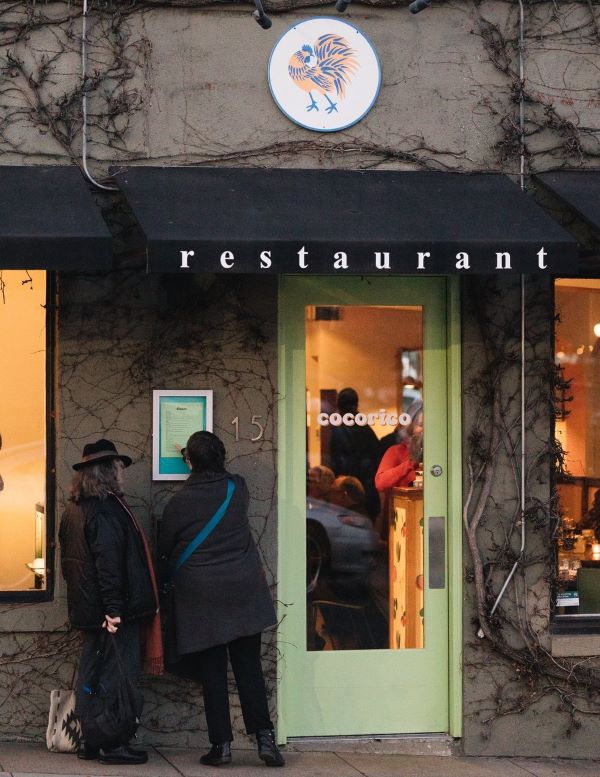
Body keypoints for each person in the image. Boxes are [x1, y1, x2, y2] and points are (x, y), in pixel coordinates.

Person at [159, 431, 284, 768]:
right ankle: (265, 740)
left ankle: (222, 747)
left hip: (202, 597)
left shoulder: (179, 503)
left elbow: (165, 548)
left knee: (213, 671)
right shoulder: (237, 488)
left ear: (189, 462)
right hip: (244, 590)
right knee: (249, 668)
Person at [59, 439, 163, 765]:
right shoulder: (106, 510)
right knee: (116, 677)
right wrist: (113, 610)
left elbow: (70, 566)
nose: (121, 473)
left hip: (91, 611)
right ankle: (113, 743)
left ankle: (90, 740)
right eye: (118, 468)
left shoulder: (74, 509)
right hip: (111, 613)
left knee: (91, 677)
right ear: (109, 471)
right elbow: (109, 566)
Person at [330, 388, 381, 520]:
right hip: (367, 490)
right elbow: (376, 457)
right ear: (356, 404)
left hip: (346, 491)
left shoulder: (338, 429)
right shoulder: (366, 428)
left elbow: (336, 462)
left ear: (339, 406)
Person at [375, 408, 424, 492]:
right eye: (421, 425)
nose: (425, 430)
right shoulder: (396, 451)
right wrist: (411, 463)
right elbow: (380, 483)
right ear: (412, 428)